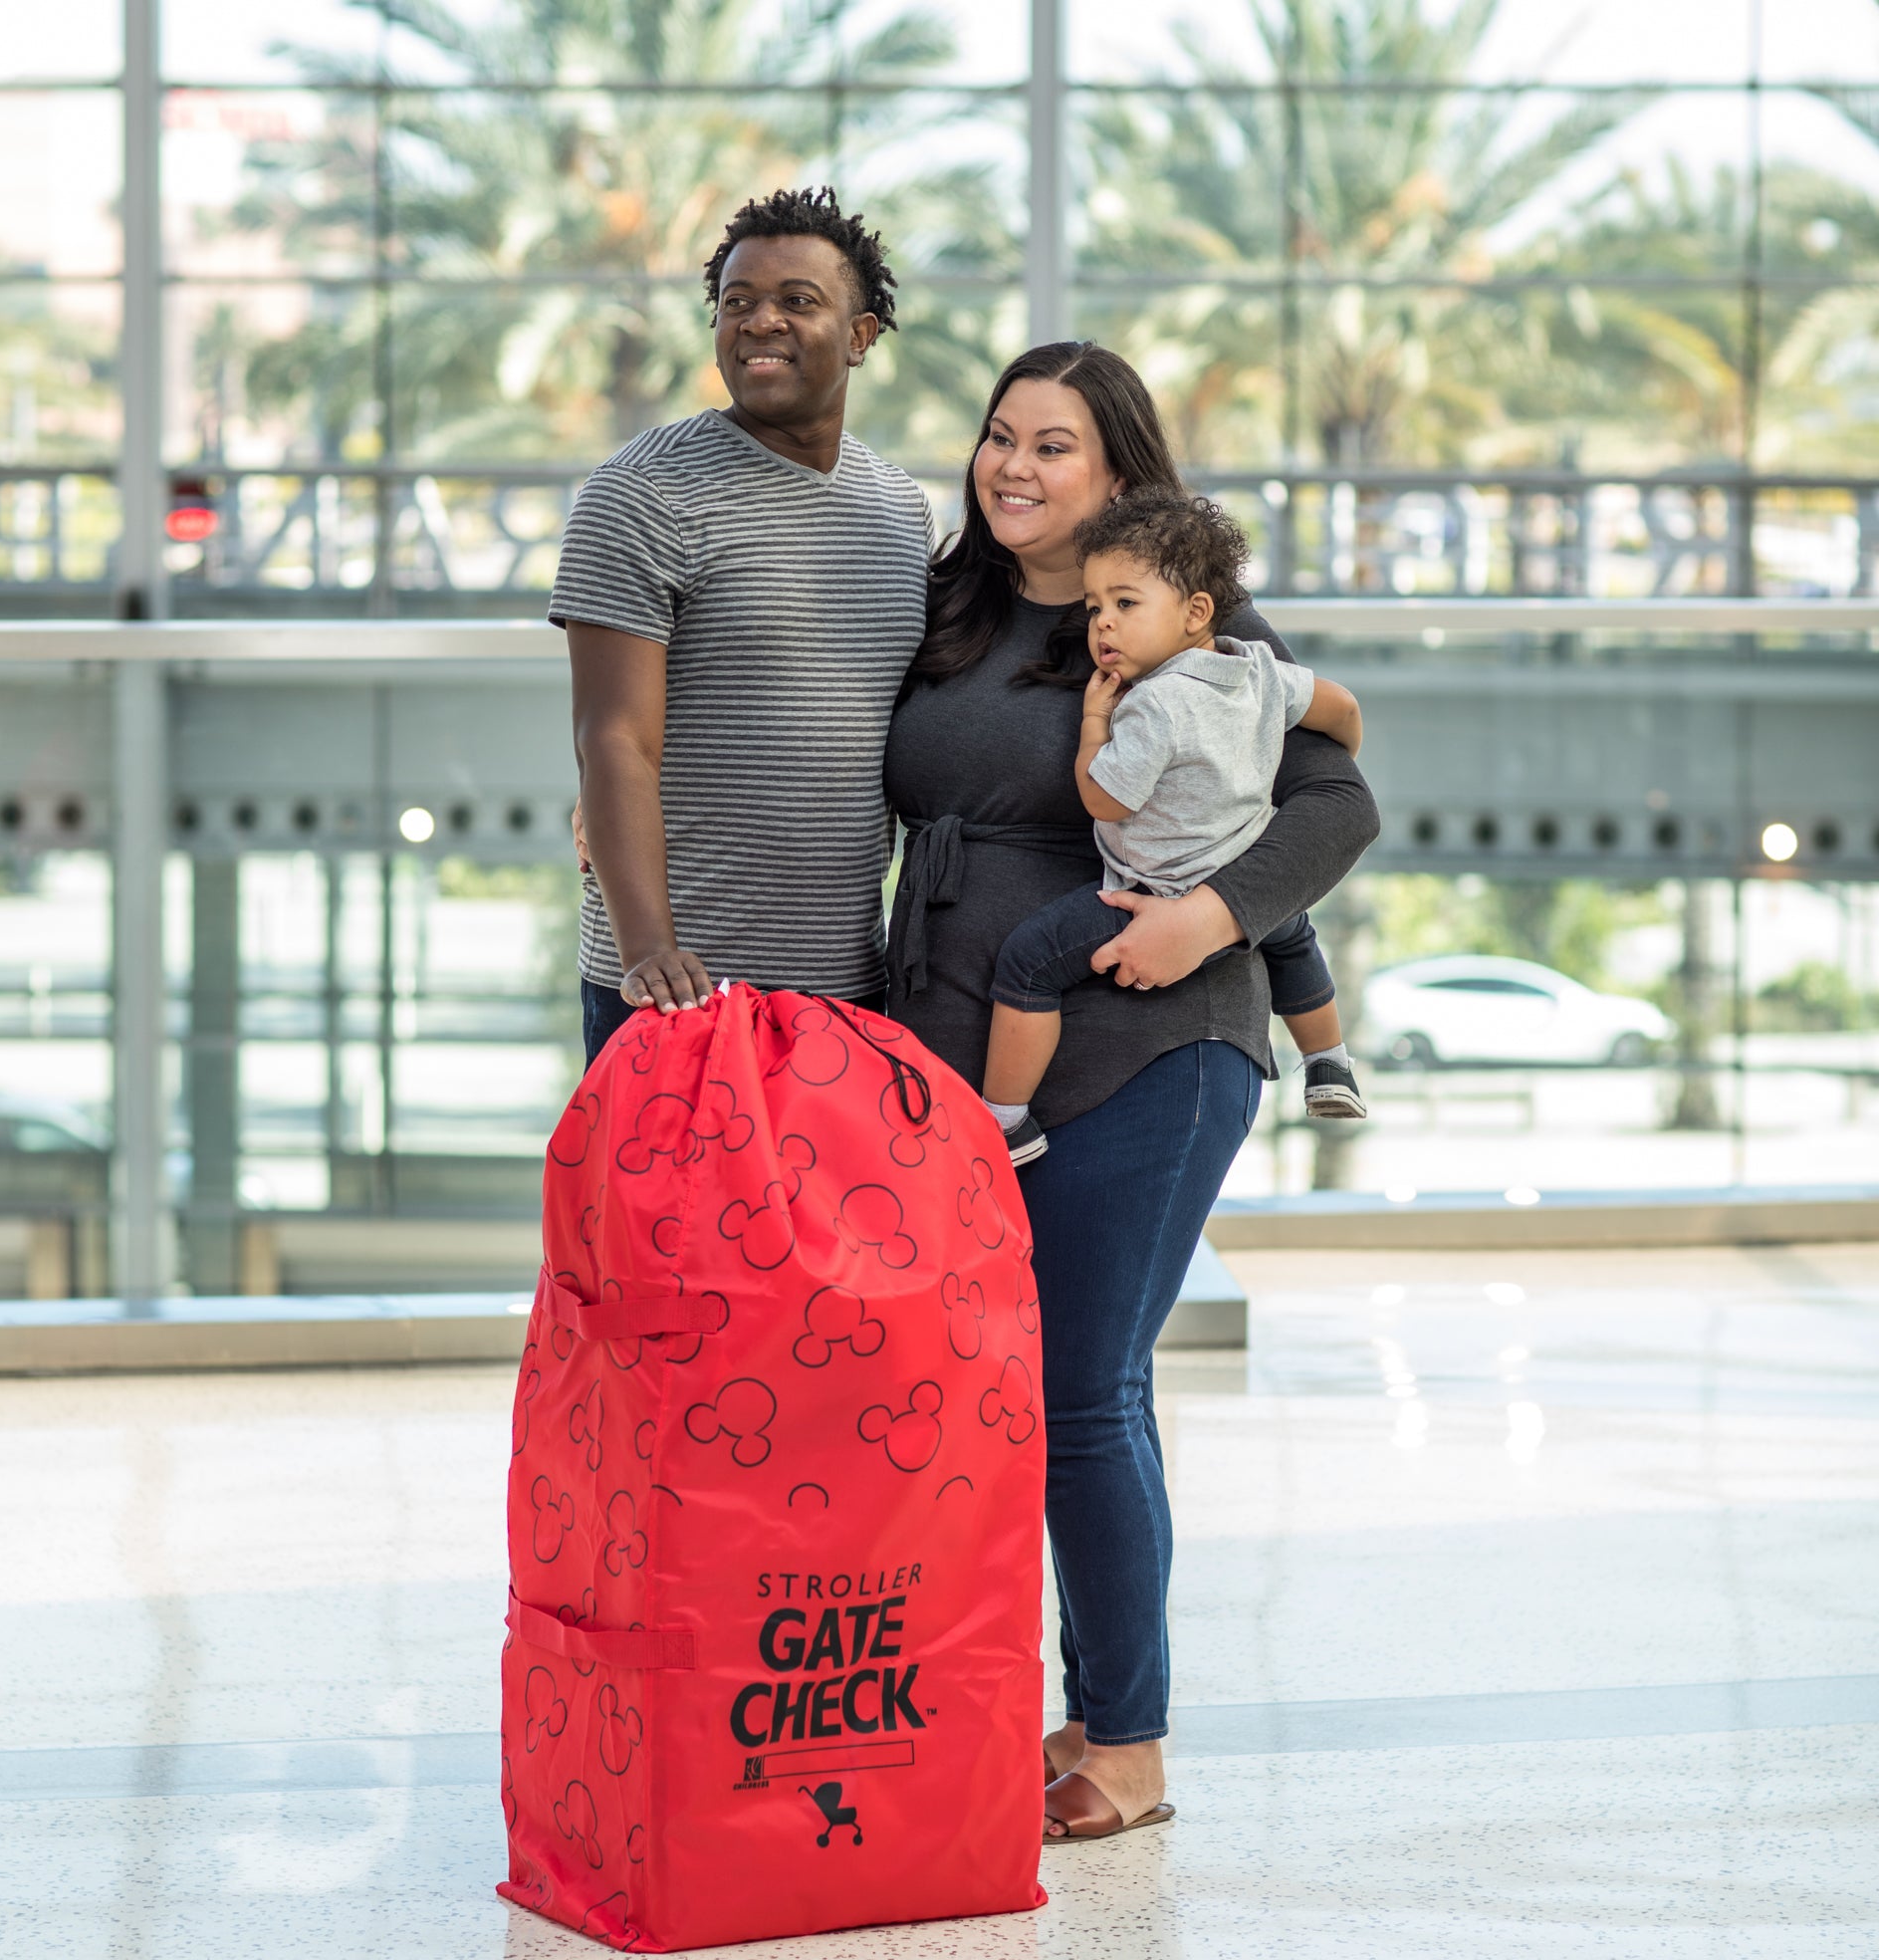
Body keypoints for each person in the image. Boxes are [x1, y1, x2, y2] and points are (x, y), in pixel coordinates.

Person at [883, 342, 1378, 1842]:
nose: (1013, 467)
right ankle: (1090, 1703)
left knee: (1082, 1388)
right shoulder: (951, 606)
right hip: (966, 1053)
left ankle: (1131, 1746)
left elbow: (1338, 801)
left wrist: (1208, 919)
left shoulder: (1177, 608)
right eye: (999, 436)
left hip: (1156, 1040)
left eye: (1054, 446)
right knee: (1027, 1397)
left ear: (1117, 472)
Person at [552, 187, 934, 1066]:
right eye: (737, 302)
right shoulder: (639, 493)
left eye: (798, 300)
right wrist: (650, 950)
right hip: (675, 992)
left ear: (861, 335)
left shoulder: (900, 510)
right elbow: (612, 740)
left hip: (849, 990)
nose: (760, 321)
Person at [980, 488, 1366, 1166]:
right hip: (1243, 883)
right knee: (1292, 937)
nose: (1103, 623)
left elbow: (1105, 801)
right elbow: (1343, 710)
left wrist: (1094, 726)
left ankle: (1005, 1120)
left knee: (1029, 963)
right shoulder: (1259, 671)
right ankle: (1329, 1063)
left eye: (1125, 604)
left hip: (1154, 895)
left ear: (1195, 612)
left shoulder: (1154, 704)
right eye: (1094, 607)